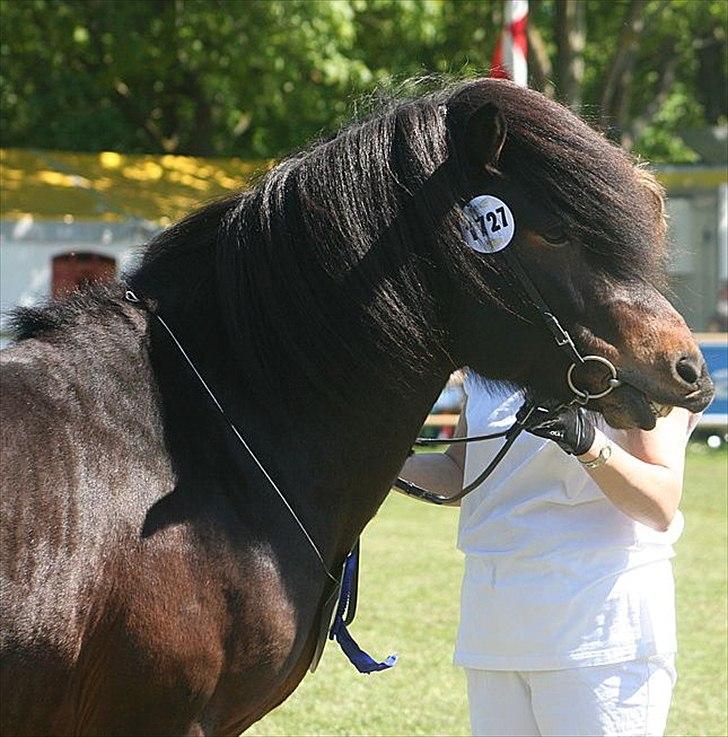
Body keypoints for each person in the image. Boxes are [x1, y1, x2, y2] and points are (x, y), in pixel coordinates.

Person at [399, 373, 699, 737]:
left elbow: (660, 503)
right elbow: (460, 472)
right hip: (494, 627)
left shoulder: (639, 351)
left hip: (600, 633)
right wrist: (366, 459)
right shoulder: (487, 362)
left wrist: (586, 442)